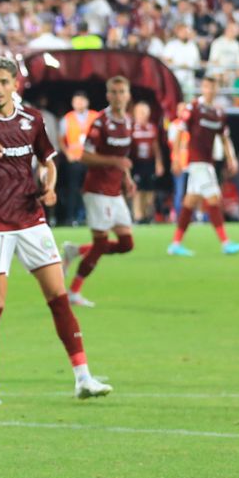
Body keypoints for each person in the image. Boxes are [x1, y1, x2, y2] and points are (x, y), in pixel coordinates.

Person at [0, 56, 112, 405]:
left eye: (2, 82)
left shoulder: (33, 120)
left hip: (31, 220)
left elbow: (48, 160)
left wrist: (49, 185)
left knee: (59, 300)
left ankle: (83, 377)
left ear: (15, 84)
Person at [61, 76, 136, 308]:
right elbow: (84, 156)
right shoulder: (100, 122)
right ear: (107, 96)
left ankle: (75, 250)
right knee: (101, 245)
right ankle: (73, 292)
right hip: (97, 190)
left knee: (126, 244)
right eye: (113, 92)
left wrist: (127, 178)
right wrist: (115, 162)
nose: (117, 96)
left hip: (115, 191)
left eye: (121, 91)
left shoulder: (129, 122)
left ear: (128, 95)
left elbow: (122, 159)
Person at [168, 75, 239, 257]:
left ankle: (175, 244)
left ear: (216, 90)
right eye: (206, 87)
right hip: (196, 162)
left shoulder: (218, 112)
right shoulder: (193, 107)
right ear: (202, 88)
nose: (209, 90)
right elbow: (180, 132)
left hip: (208, 162)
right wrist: (176, 158)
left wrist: (231, 158)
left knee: (190, 202)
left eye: (213, 87)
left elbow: (224, 138)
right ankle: (225, 243)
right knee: (213, 198)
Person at [58, 91, 96, 225]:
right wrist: (67, 153)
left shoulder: (95, 116)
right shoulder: (67, 118)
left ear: (87, 102)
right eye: (76, 101)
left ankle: (92, 217)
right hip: (74, 160)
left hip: (91, 160)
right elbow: (60, 139)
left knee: (92, 189)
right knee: (73, 188)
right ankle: (71, 217)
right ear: (73, 103)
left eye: (82, 101)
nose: (79, 103)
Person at [128, 101, 166, 223]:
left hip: (149, 162)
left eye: (145, 112)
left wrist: (159, 163)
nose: (143, 115)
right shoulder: (132, 127)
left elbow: (156, 147)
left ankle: (148, 215)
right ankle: (138, 216)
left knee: (149, 190)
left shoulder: (152, 127)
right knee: (137, 190)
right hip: (137, 162)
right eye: (140, 112)